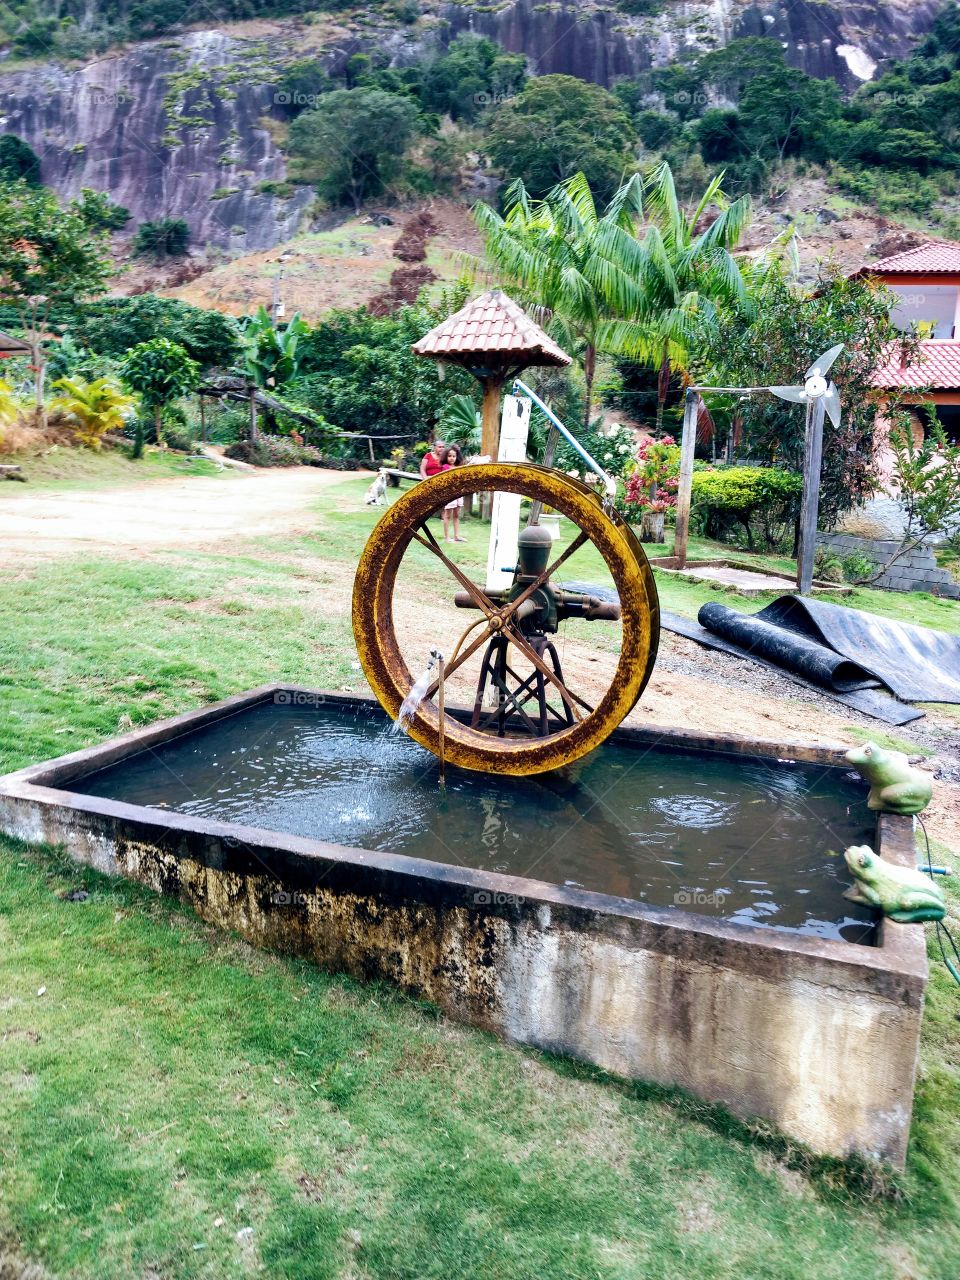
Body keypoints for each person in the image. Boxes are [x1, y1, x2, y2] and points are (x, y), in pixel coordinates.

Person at [440, 444, 466, 543]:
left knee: (456, 515)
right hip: (449, 493)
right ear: (446, 457)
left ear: (457, 457)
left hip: (458, 493)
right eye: (449, 456)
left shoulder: (459, 467)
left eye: (454, 456)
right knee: (447, 516)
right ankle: (447, 537)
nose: (451, 458)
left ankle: (456, 536)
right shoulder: (445, 467)